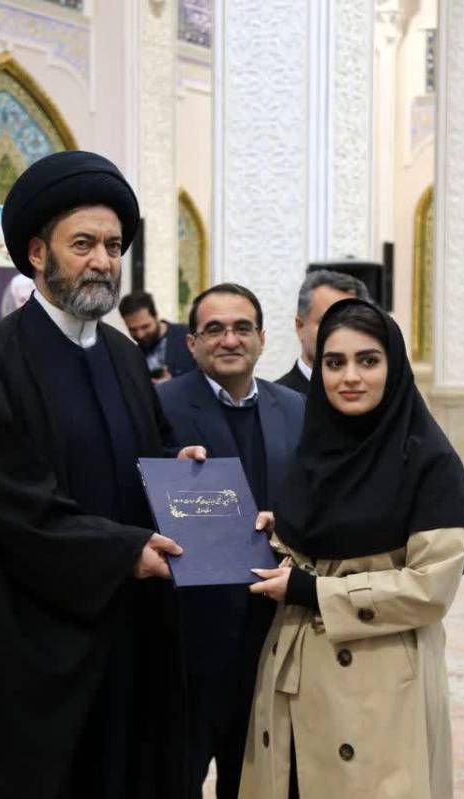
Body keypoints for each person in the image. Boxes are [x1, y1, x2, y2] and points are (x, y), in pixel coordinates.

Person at [0, 151, 203, 798]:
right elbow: (13, 508)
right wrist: (123, 552)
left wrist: (181, 474)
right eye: (83, 244)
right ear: (37, 253)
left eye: (113, 246)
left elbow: (144, 456)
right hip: (34, 650)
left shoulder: (123, 356)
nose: (103, 261)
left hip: (128, 637)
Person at [241, 299, 464, 799]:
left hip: (379, 682)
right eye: (334, 363)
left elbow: (430, 588)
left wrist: (314, 591)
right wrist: (279, 532)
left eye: (368, 360)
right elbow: (326, 538)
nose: (350, 377)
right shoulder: (317, 448)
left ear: (393, 366)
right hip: (298, 677)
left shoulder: (428, 460)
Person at [156, 284, 304, 799]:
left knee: (255, 781)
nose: (229, 339)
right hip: (185, 636)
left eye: (242, 328)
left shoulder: (296, 409)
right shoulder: (158, 405)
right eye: (214, 329)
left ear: (262, 338)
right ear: (192, 343)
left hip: (269, 633)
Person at [276, 270, 368, 394]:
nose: (339, 333)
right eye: (327, 321)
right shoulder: (273, 401)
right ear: (300, 327)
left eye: (349, 322)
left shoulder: (374, 396)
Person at [120, 290, 195, 382]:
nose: (140, 335)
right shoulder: (133, 355)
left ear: (156, 316)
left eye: (145, 327)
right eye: (133, 330)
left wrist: (172, 384)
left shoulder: (187, 336)